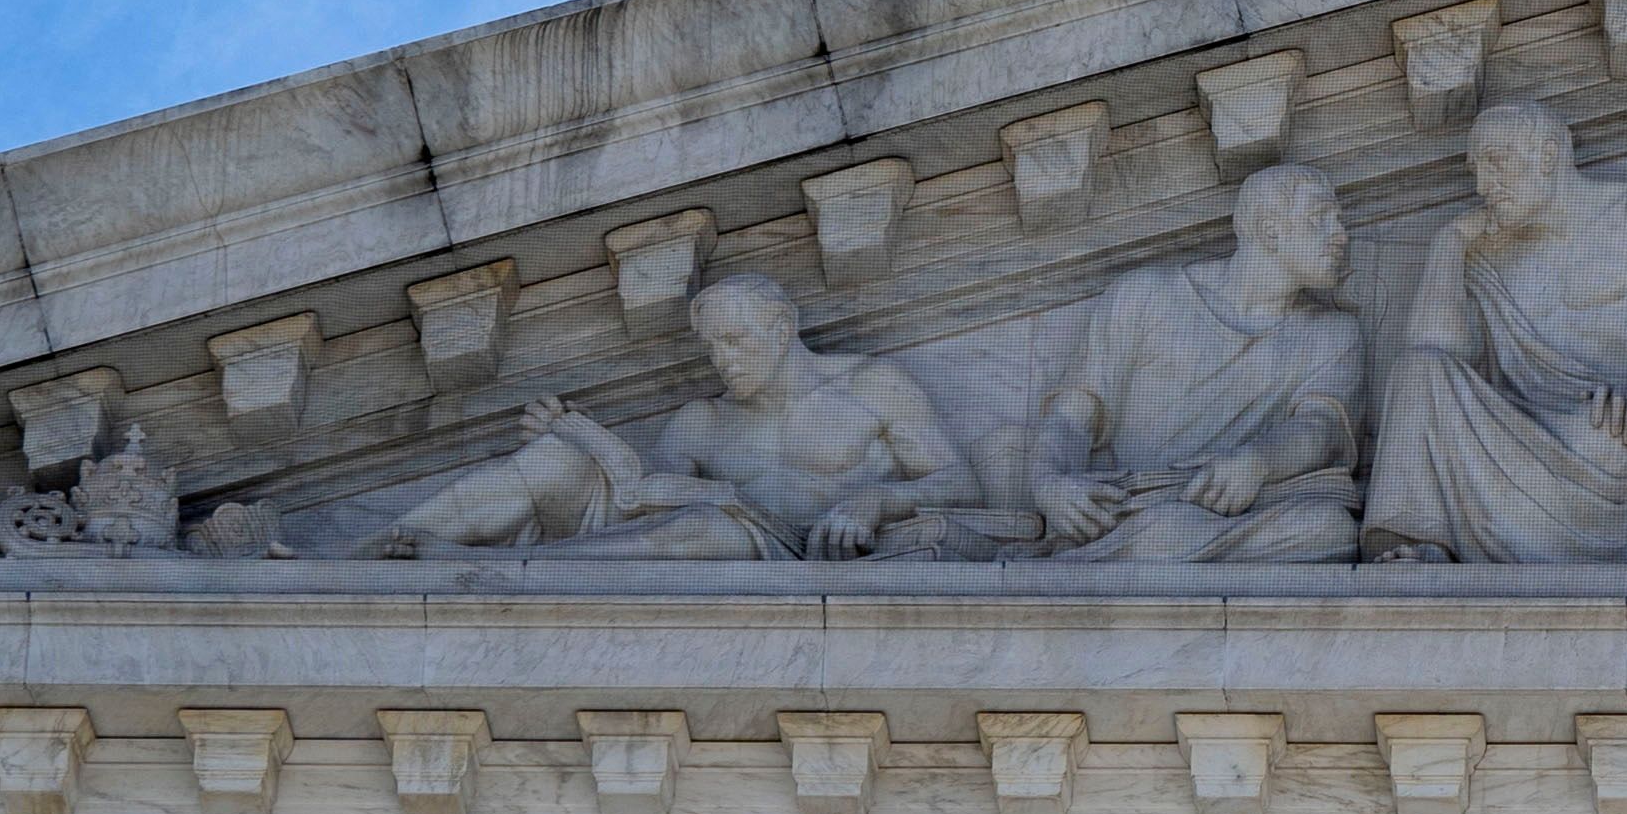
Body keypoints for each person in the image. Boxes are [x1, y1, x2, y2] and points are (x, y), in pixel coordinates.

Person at [366, 271, 981, 561]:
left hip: (784, 547)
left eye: (735, 342)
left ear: (782, 327)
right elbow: (639, 498)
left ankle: (487, 567)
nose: (722, 361)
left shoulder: (871, 385)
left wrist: (875, 502)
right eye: (712, 348)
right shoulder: (700, 422)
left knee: (701, 535)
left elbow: (961, 484)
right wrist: (580, 438)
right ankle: (363, 551)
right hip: (698, 524)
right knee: (554, 461)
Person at [1360, 97, 1627, 563]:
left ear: (1548, 155)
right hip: (1516, 431)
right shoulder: (1488, 255)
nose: (1482, 186)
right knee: (1416, 371)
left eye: (1497, 163)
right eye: (1476, 171)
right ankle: (1421, 546)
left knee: (1608, 438)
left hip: (1616, 431)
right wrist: (1448, 244)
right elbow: (1435, 353)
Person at [1029, 163, 1368, 563]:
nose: (1341, 236)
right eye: (1319, 219)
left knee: (1331, 529)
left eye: (1338, 221)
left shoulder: (1333, 333)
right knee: (1165, 528)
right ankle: (1137, 546)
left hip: (1240, 517)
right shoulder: (1146, 295)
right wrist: (1050, 486)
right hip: (1131, 507)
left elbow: (1323, 428)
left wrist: (1255, 463)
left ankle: (1138, 552)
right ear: (1270, 230)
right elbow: (1072, 418)